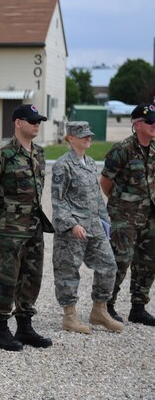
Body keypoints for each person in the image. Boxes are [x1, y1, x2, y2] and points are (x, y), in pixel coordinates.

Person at [0, 104, 55, 352]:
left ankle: (25, 326)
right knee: (7, 277)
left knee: (32, 275)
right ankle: (1, 329)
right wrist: (3, 211)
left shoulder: (39, 154)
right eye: (32, 121)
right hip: (9, 226)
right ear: (18, 123)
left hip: (33, 225)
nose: (36, 125)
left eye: (38, 121)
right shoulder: (3, 154)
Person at [51, 121, 123, 334]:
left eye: (89, 135)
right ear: (71, 138)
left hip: (95, 227)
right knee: (68, 271)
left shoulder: (90, 163)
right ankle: (69, 316)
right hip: (73, 230)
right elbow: (57, 200)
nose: (88, 138)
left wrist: (105, 221)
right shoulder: (62, 165)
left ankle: (99, 311)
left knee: (109, 266)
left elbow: (96, 197)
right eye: (83, 135)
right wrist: (72, 225)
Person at [100, 104, 155, 326]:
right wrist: (120, 206)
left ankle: (138, 307)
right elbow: (105, 182)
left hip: (150, 215)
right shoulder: (122, 149)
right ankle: (107, 305)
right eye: (150, 121)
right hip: (124, 216)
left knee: (149, 261)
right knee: (120, 260)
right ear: (137, 124)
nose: (154, 125)